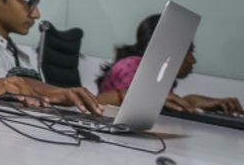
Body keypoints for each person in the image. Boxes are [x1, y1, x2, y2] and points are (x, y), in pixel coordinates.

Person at [97, 14, 243, 115]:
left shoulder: (158, 73)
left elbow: (166, 104)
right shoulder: (131, 65)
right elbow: (138, 108)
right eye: (187, 52)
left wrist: (209, 103)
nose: (193, 60)